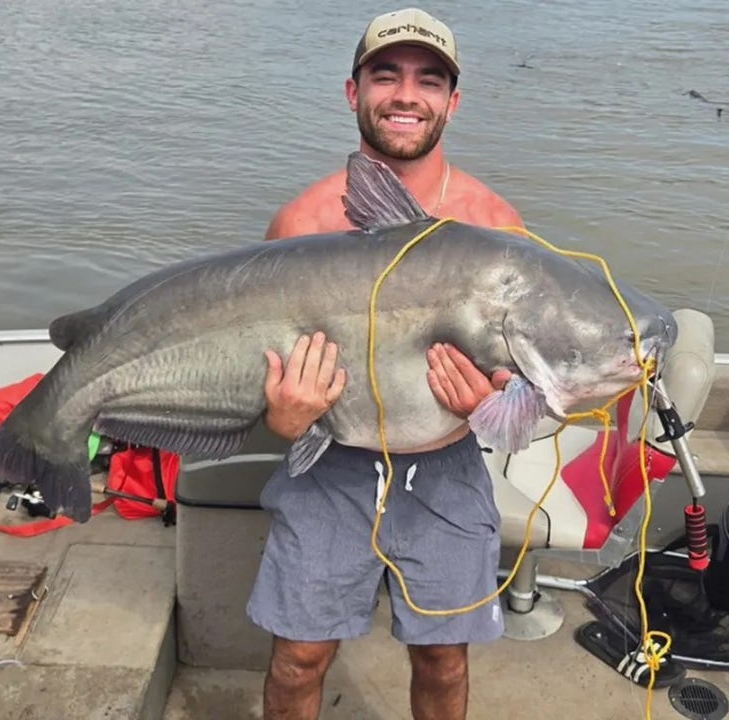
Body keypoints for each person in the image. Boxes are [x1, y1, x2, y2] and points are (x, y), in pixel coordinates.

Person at [244, 8, 526, 720]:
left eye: (428, 81)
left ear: (451, 104)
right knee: (298, 657)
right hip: (329, 464)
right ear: (353, 92)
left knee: (442, 658)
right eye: (386, 75)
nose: (406, 95)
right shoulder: (301, 225)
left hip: (447, 468)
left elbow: (525, 390)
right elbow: (255, 366)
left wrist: (488, 404)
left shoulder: (495, 228)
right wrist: (282, 414)